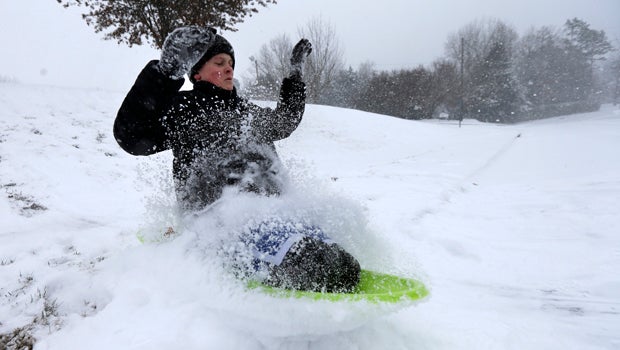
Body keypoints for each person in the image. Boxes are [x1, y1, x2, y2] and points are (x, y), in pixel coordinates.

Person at [113, 26, 360, 292]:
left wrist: (295, 77)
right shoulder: (183, 108)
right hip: (222, 220)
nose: (229, 68)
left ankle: (295, 252)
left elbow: (284, 122)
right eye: (219, 62)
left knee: (342, 262)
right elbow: (132, 135)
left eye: (231, 63)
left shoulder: (246, 111)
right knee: (321, 267)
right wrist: (166, 73)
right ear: (196, 72)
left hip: (275, 212)